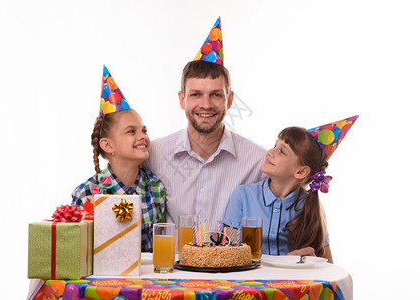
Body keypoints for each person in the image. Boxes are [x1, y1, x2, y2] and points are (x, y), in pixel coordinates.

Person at [143, 17, 266, 232]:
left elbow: (288, 207)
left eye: (216, 95)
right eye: (196, 95)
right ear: (182, 100)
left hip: (231, 266)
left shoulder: (257, 161)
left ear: (229, 100)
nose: (206, 105)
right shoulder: (152, 155)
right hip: (170, 266)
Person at [223, 115, 359, 262]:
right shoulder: (243, 196)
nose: (270, 152)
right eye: (275, 145)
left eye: (282, 151)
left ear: (300, 172)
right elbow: (229, 254)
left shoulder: (312, 208)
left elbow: (328, 266)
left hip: (294, 283)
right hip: (250, 282)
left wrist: (313, 261)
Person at [72, 65, 166, 253]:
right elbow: (79, 252)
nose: (142, 136)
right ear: (108, 145)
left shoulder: (156, 188)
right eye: (131, 131)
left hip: (146, 280)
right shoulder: (87, 193)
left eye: (144, 130)